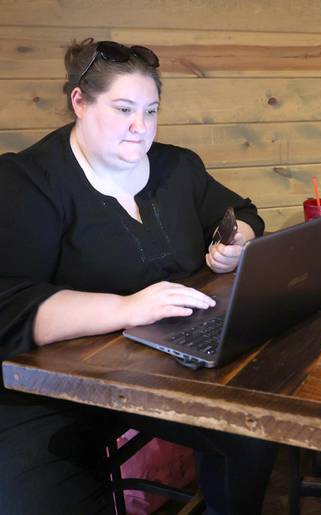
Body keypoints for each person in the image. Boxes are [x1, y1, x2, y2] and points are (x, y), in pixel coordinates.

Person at [0, 38, 275, 514]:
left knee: (252, 430)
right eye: (124, 108)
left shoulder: (176, 167)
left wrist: (237, 242)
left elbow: (242, 213)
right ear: (79, 102)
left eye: (151, 111)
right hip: (52, 391)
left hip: (170, 365)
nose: (140, 127)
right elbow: (9, 306)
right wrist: (126, 308)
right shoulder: (28, 182)